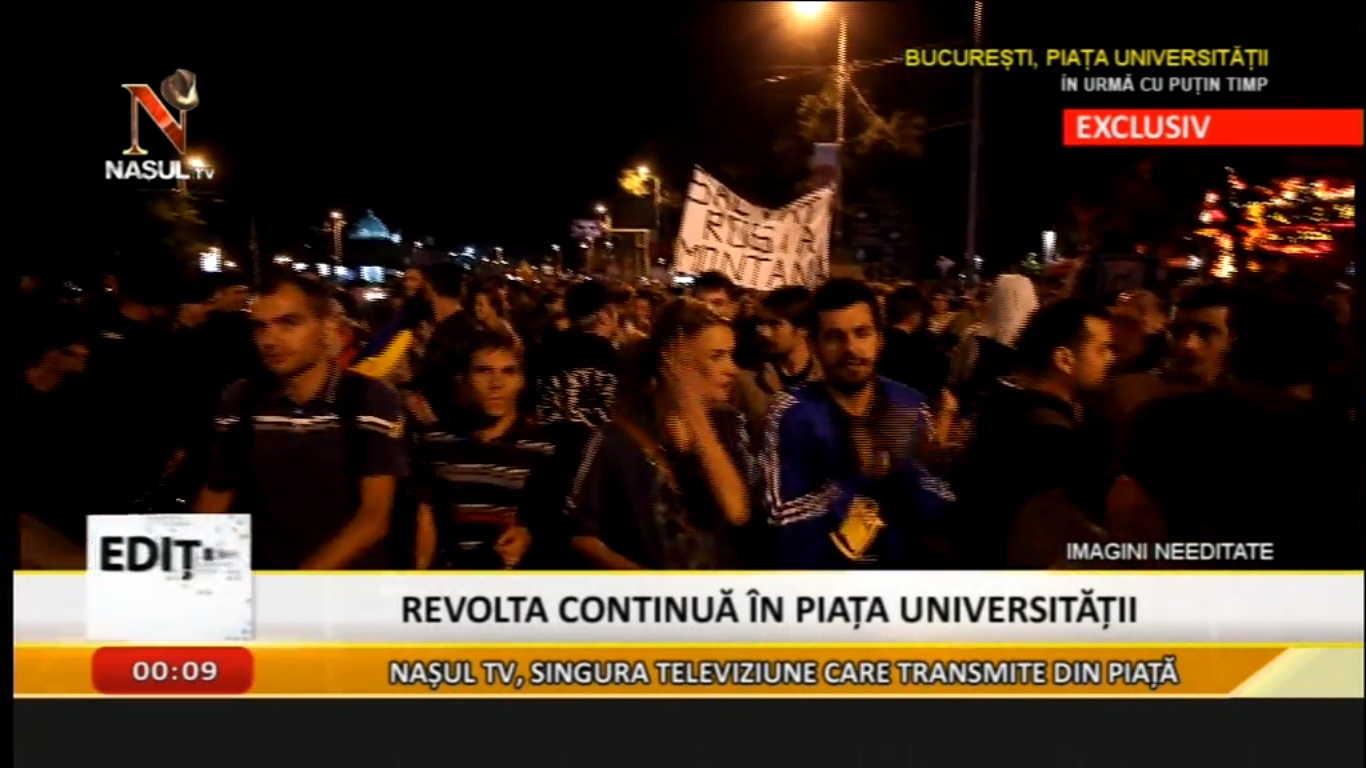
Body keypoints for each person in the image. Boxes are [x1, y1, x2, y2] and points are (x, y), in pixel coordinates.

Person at [192, 273, 409, 570]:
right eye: (260, 327)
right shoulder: (241, 399)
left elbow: (373, 518)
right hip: (262, 578)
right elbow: (217, 493)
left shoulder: (367, 398)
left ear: (327, 328)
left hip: (347, 585)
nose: (270, 340)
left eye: (289, 323)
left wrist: (298, 583)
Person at [763, 279, 951, 569]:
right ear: (814, 345)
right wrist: (853, 480)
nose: (851, 349)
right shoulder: (793, 414)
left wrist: (904, 471)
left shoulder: (910, 407)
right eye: (834, 337)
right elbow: (779, 518)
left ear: (880, 339)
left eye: (862, 333)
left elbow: (942, 503)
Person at [566, 298, 755, 569]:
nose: (732, 369)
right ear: (673, 360)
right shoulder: (618, 438)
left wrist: (693, 410)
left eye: (731, 355)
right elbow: (581, 535)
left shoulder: (730, 425)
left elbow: (737, 511)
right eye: (717, 357)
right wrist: (645, 581)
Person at [952, 299, 1115, 568]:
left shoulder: (1003, 403)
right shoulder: (1053, 441)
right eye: (1102, 349)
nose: (1111, 358)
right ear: (1064, 359)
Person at [412, 325, 568, 569]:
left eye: (508, 372)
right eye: (484, 371)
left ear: (521, 381)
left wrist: (529, 534)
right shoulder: (435, 440)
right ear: (463, 379)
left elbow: (551, 520)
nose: (497, 383)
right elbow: (425, 514)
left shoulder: (542, 448)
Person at [750, 285, 821, 404]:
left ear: (803, 329)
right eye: (762, 324)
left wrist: (779, 394)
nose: (765, 332)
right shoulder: (752, 378)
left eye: (775, 325)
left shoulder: (827, 378)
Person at [878, 285, 949, 403]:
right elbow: (937, 378)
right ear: (916, 313)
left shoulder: (877, 340)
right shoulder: (924, 343)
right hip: (916, 406)